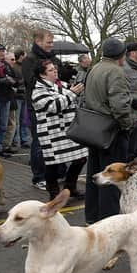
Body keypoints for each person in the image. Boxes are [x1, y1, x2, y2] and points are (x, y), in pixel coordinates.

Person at [83, 38, 133, 224]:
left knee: (94, 176)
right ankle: (109, 220)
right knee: (112, 178)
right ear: (122, 55)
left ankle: (92, 217)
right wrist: (128, 124)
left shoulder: (94, 68)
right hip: (111, 131)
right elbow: (120, 106)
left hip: (93, 129)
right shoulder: (116, 72)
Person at [32, 60, 87, 200]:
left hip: (68, 130)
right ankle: (54, 194)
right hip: (52, 133)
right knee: (53, 164)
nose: (55, 71)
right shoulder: (38, 91)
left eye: (54, 69)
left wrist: (78, 89)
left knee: (81, 158)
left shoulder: (61, 84)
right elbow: (55, 106)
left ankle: (70, 187)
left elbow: (72, 95)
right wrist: (72, 93)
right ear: (42, 75)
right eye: (50, 70)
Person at [22, 29, 62, 191]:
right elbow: (30, 82)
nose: (51, 45)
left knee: (55, 139)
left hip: (54, 103)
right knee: (39, 142)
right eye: (49, 42)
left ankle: (55, 174)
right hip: (37, 106)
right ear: (38, 41)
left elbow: (61, 76)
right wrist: (49, 78)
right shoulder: (29, 60)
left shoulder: (52, 58)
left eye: (52, 42)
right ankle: (39, 177)